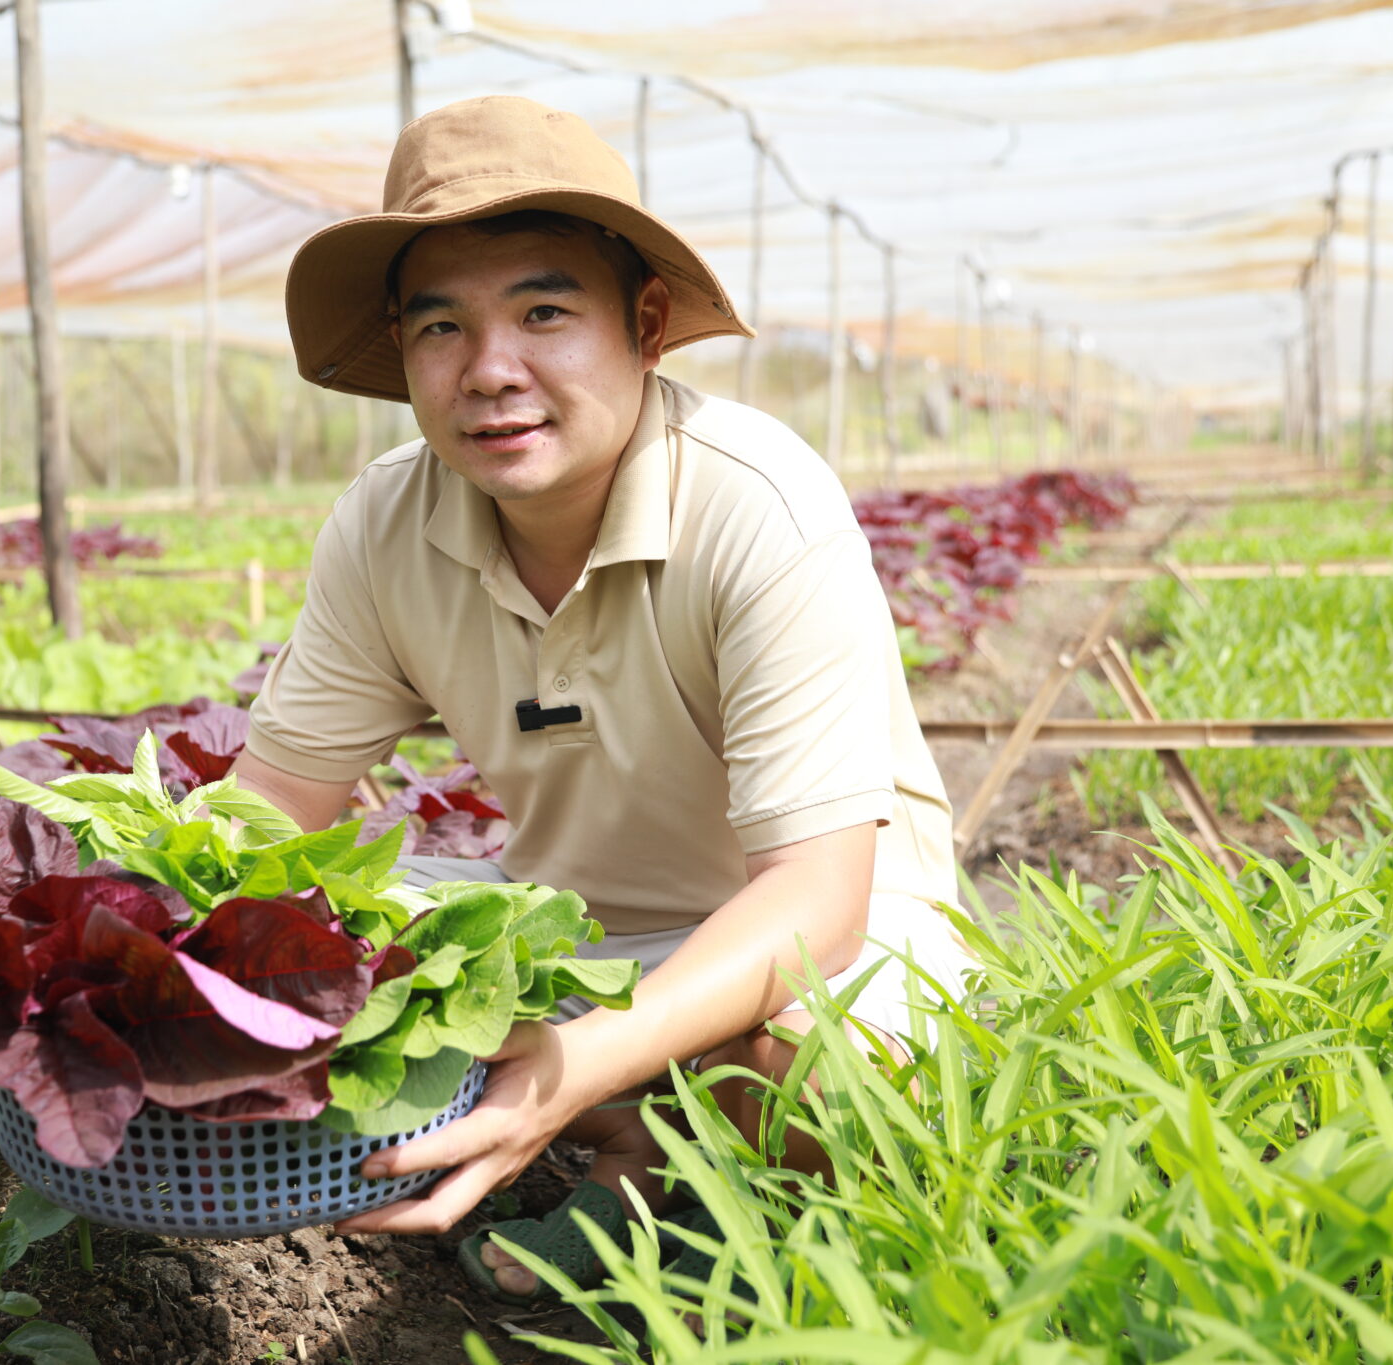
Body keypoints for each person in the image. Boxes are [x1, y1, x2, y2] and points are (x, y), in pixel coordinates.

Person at [228, 94, 969, 1304]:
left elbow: (812, 898)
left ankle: (700, 1192)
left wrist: (574, 1063)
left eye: (543, 311)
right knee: (316, 943)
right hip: (572, 935)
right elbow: (267, 816)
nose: (490, 371)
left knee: (804, 1066)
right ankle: (634, 1144)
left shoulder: (753, 503)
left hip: (811, 941)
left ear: (645, 323)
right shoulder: (384, 521)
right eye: (440, 328)